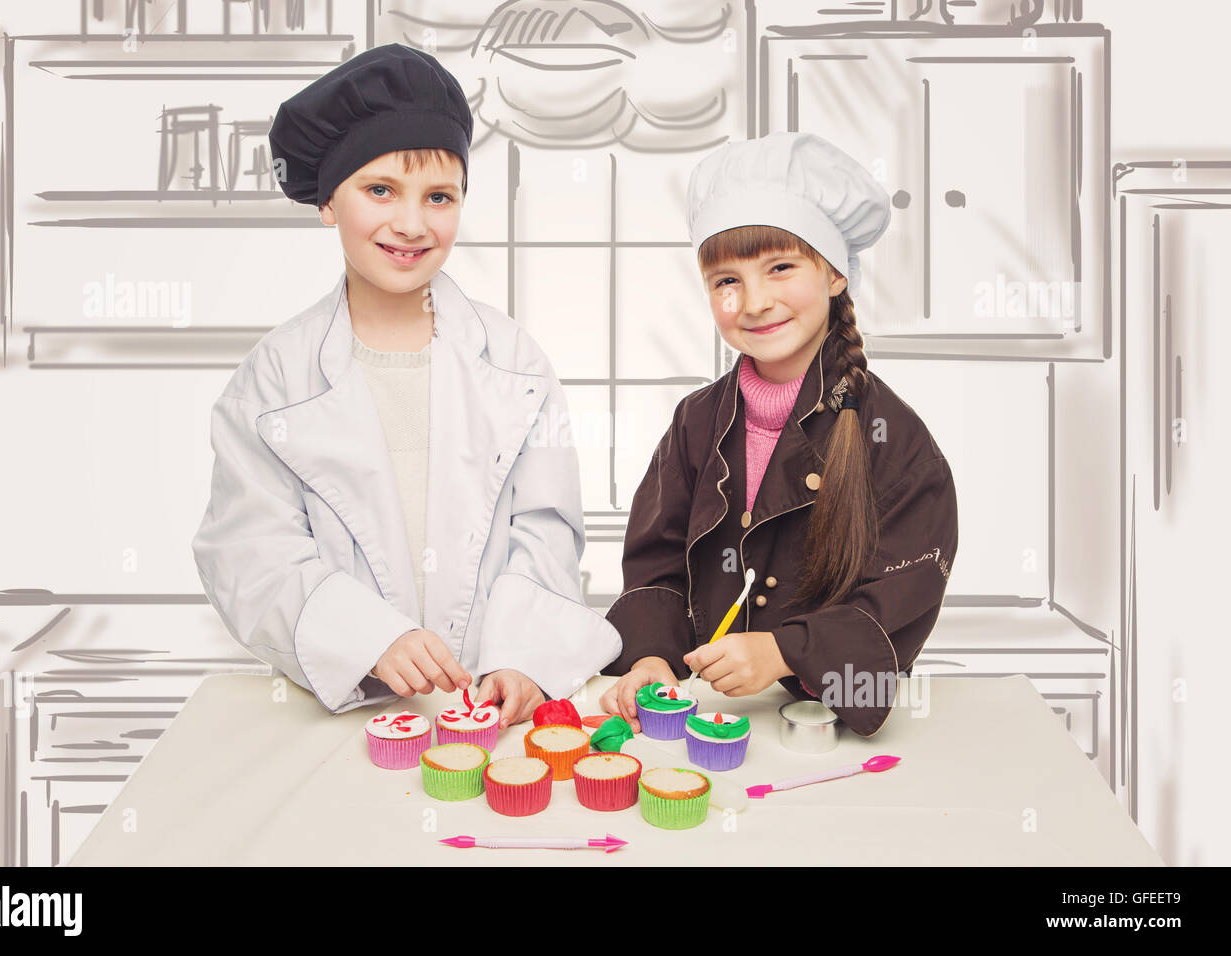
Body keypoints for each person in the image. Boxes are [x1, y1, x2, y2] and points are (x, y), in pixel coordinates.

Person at [192, 44, 620, 726]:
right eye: (380, 190)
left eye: (439, 197)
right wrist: (365, 636)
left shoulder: (515, 363)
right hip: (348, 707)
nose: (413, 224)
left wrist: (522, 658)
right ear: (329, 201)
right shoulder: (274, 377)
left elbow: (545, 530)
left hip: (490, 704)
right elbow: (248, 550)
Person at [599, 131, 960, 736]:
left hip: (817, 725)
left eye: (781, 267)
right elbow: (657, 565)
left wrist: (785, 651)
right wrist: (651, 659)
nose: (755, 300)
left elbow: (904, 591)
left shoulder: (892, 438)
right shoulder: (694, 421)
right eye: (726, 281)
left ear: (836, 274)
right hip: (702, 716)